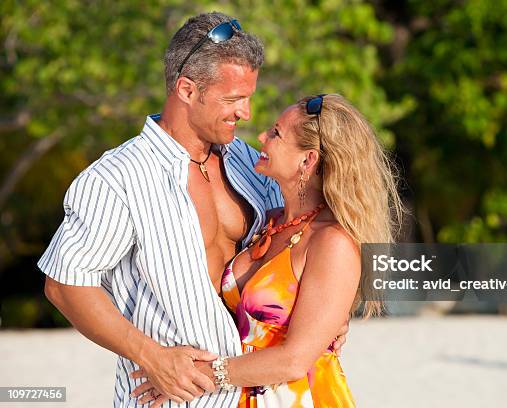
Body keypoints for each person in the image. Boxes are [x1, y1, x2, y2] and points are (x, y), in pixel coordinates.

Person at [38, 12, 346, 408]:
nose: (246, 113)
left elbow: (311, 238)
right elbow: (64, 284)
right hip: (173, 398)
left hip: (262, 395)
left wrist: (330, 312)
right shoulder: (117, 178)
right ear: (186, 89)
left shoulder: (250, 163)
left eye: (249, 97)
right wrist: (152, 356)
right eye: (234, 99)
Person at [130, 94, 404, 407]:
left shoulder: (332, 242)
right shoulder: (268, 221)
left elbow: (295, 359)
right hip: (246, 396)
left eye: (276, 133)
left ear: (307, 160)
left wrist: (194, 377)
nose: (262, 137)